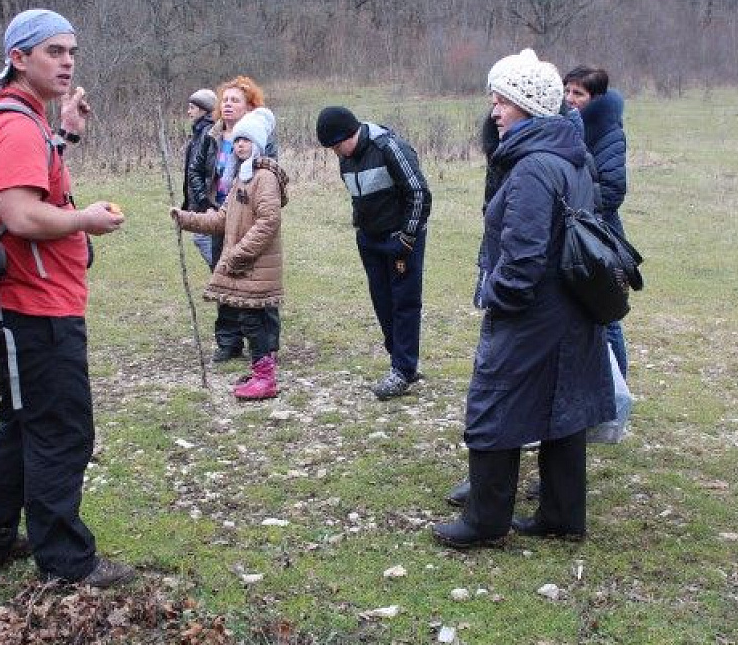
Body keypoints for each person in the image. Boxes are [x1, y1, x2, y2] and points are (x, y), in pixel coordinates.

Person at [0, 9, 134, 588]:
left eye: (71, 52)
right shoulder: (13, 126)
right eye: (53, 51)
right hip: (31, 305)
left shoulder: (23, 121)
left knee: (23, 419)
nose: (67, 62)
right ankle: (66, 562)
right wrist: (84, 218)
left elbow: (34, 179)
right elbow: (20, 212)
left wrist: (66, 134)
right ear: (18, 58)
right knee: (62, 429)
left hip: (19, 302)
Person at [433, 49, 614, 549]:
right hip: (571, 306)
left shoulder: (534, 166)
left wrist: (496, 297)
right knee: (563, 406)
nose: (494, 109)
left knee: (493, 401)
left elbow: (523, 259)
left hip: (535, 309)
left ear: (529, 107)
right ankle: (560, 515)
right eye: (494, 98)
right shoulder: (571, 155)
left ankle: (485, 520)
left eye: (503, 100)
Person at [316, 106, 432, 399]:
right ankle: (401, 359)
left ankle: (403, 371)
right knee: (383, 302)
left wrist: (407, 238)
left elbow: (418, 192)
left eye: (336, 145)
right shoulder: (345, 158)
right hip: (370, 240)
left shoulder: (389, 147)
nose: (335, 153)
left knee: (404, 303)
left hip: (401, 240)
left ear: (349, 134)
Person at [173, 108, 288, 400]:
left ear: (259, 144)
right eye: (237, 141)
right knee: (250, 319)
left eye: (246, 141)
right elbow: (222, 219)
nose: (239, 145)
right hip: (246, 265)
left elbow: (268, 221)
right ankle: (262, 371)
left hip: (255, 265)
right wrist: (185, 218)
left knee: (254, 321)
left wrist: (238, 254)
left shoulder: (264, 177)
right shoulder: (242, 177)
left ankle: (266, 379)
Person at [188, 76, 278, 363]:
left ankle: (266, 346)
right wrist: (206, 205)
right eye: (224, 100)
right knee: (224, 275)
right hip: (220, 214)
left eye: (234, 100)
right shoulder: (212, 135)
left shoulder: (260, 138)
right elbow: (196, 172)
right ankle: (228, 341)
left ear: (249, 106)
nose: (227, 105)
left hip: (251, 216)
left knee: (258, 281)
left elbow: (271, 176)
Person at [564, 65, 630, 378]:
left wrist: (579, 207)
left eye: (579, 93)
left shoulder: (609, 131)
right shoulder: (567, 126)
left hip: (599, 236)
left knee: (607, 315)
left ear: (596, 98)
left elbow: (614, 189)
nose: (570, 98)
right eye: (567, 91)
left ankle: (619, 390)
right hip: (574, 233)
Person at [182, 88, 218, 266]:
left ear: (204, 110)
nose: (189, 112)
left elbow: (207, 170)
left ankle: (223, 274)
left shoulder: (208, 132)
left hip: (208, 200)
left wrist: (204, 200)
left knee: (202, 238)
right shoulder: (199, 131)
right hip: (203, 199)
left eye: (192, 107)